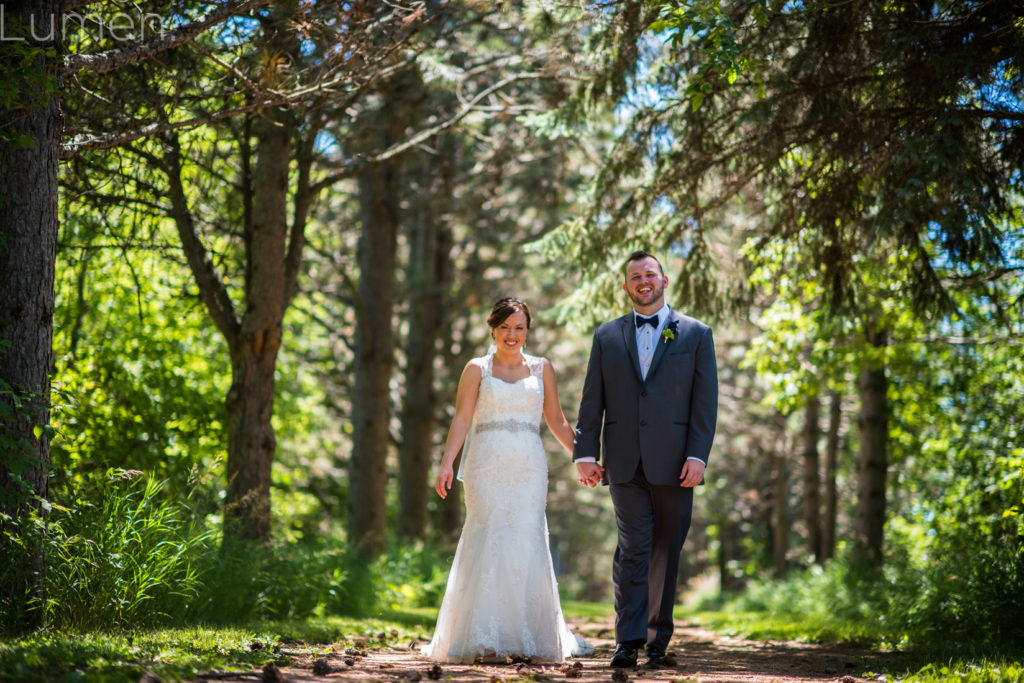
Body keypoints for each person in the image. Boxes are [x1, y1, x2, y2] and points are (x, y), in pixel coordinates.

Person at [423, 297, 592, 664]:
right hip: (486, 466)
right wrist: (447, 462)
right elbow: (462, 420)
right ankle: (482, 635)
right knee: (489, 534)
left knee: (525, 538)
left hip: (529, 466)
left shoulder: (542, 368)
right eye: (505, 328)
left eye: (519, 328)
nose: (512, 335)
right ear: (493, 329)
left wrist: (584, 458)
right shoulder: (476, 369)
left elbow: (558, 421)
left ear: (527, 330)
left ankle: (524, 636)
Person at [574, 251, 718, 668]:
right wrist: (585, 453)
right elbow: (591, 400)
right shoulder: (606, 336)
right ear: (625, 286)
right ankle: (628, 641)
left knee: (666, 551)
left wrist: (698, 455)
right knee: (633, 549)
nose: (643, 281)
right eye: (635, 276)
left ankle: (658, 641)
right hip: (623, 462)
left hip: (677, 463)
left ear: (664, 280)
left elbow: (704, 403)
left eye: (649, 274)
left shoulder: (695, 333)